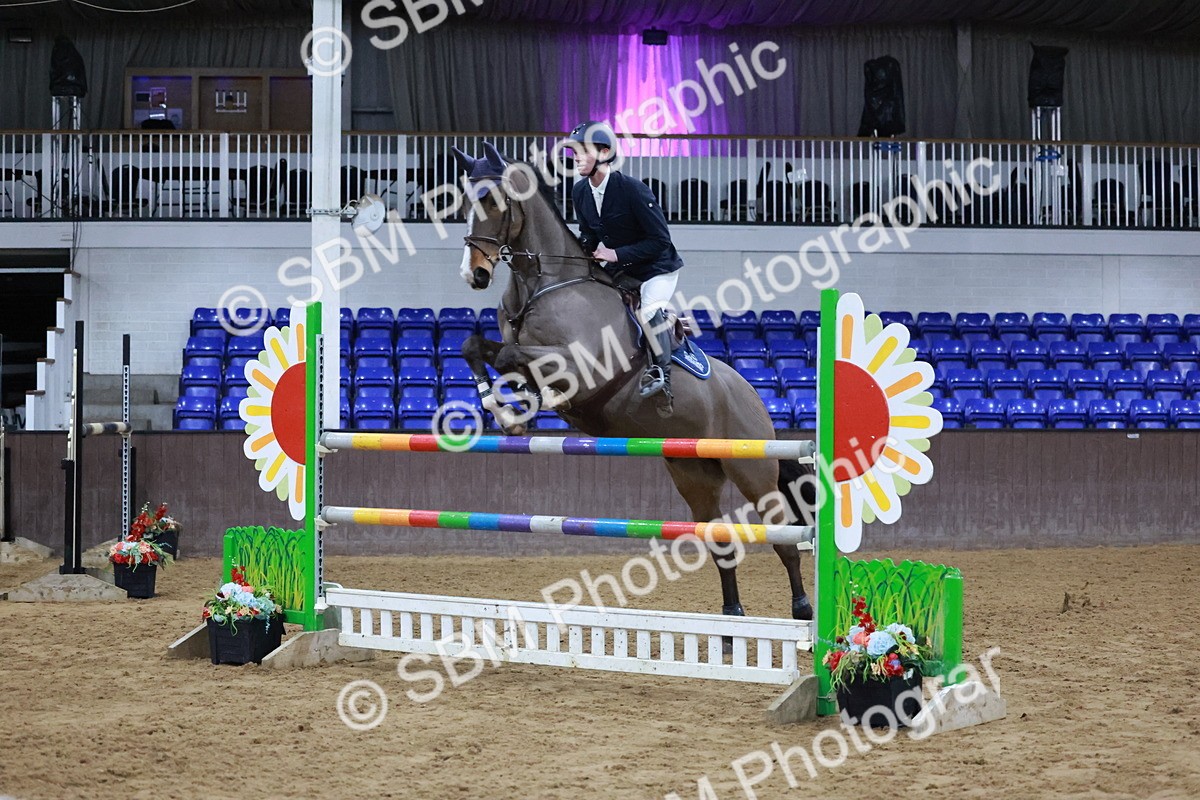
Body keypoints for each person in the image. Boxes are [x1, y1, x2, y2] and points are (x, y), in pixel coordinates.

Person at [564, 120, 683, 402]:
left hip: (657, 269)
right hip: (623, 271)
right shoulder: (580, 192)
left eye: (583, 150)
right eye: (574, 152)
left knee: (648, 312)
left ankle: (662, 377)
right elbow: (589, 234)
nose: (576, 157)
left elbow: (660, 241)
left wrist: (615, 254)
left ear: (604, 153)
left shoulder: (633, 190)